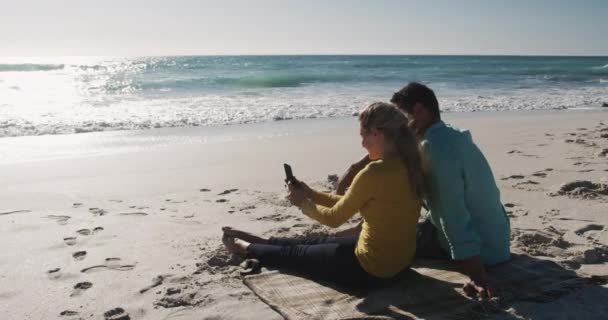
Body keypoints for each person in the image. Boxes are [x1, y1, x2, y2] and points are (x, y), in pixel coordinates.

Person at [336, 82, 511, 298]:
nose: (397, 127)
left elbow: (451, 214)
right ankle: (359, 230)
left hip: (483, 250)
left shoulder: (435, 151)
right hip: (498, 239)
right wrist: (356, 166)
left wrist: (477, 275)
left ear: (419, 111)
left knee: (392, 238)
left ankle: (355, 234)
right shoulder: (448, 137)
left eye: (400, 119)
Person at [222, 102, 423, 288]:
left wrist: (303, 203)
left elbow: (334, 218)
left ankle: (243, 246)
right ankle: (265, 242)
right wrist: (310, 193)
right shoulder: (411, 164)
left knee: (295, 255)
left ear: (377, 134)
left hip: (370, 272)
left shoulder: (374, 172)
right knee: (318, 242)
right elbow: (349, 202)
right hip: (399, 265)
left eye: (364, 135)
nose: (362, 143)